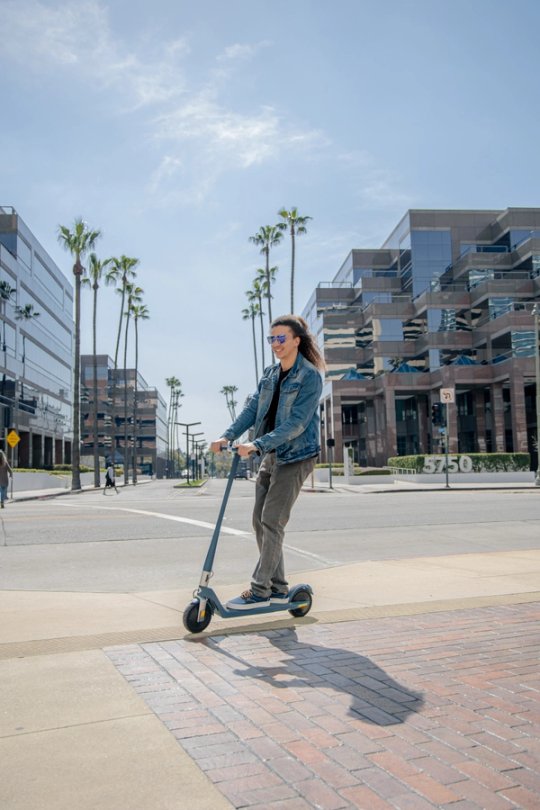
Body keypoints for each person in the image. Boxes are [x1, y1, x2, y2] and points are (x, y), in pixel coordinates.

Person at [211, 314, 324, 610]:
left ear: (296, 341)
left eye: (281, 338)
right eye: (271, 338)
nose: (275, 344)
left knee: (272, 520)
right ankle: (278, 587)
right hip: (272, 454)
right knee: (259, 521)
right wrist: (227, 435)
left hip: (297, 456)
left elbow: (298, 423)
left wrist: (257, 444)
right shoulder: (270, 374)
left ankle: (260, 590)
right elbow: (251, 409)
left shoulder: (309, 376)